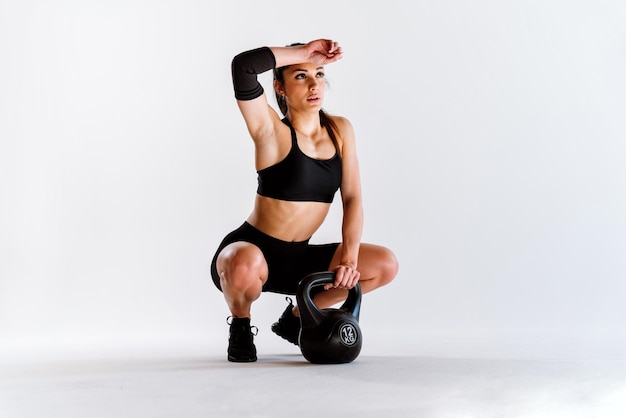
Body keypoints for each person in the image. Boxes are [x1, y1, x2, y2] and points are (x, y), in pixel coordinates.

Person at [210, 39, 399, 362]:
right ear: (279, 87)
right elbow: (243, 67)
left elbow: (352, 198)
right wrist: (302, 52)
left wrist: (349, 260)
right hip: (252, 253)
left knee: (384, 265)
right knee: (242, 262)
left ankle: (296, 317)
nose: (314, 84)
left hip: (300, 260)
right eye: (300, 76)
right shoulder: (270, 132)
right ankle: (240, 325)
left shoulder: (340, 130)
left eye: (320, 74)